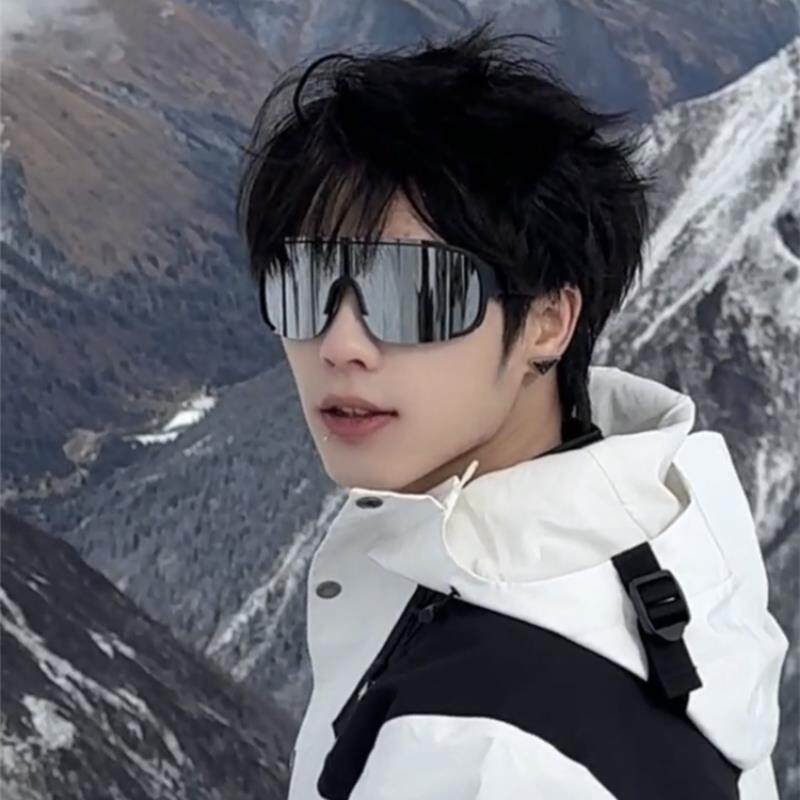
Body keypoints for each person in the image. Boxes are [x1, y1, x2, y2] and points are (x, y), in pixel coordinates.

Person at [235, 19, 788, 800]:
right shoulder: (655, 547)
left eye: (417, 294)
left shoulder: (473, 758)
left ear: (548, 322)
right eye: (302, 285)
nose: (340, 343)